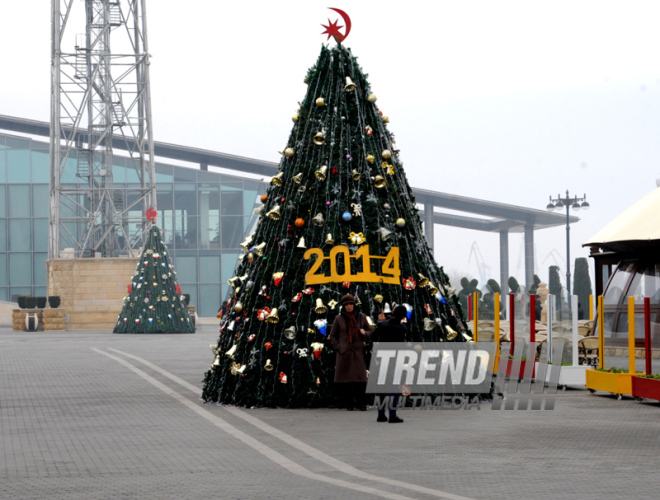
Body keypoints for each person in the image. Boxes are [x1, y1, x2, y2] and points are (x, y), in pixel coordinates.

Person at [329, 294, 372, 411]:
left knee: (360, 379)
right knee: (346, 380)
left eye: (351, 304)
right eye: (346, 305)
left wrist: (365, 333)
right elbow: (332, 336)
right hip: (345, 353)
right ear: (343, 306)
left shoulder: (361, 317)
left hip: (358, 352)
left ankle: (361, 403)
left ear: (354, 305)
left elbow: (370, 331)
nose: (349, 307)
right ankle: (349, 403)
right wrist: (339, 347)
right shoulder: (339, 318)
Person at [372, 305, 408, 423]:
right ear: (403, 317)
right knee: (393, 387)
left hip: (381, 358)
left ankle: (380, 414)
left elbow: (373, 336)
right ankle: (392, 415)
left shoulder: (382, 325)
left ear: (392, 312)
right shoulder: (402, 328)